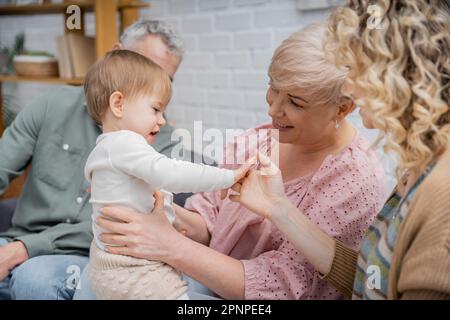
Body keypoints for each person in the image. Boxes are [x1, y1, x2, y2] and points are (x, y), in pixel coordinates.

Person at [76, 23, 386, 300]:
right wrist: (150, 203)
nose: (273, 109)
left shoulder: (354, 181)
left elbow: (285, 287)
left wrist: (168, 244)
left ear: (342, 109)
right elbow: (209, 220)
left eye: (295, 102)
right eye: (273, 88)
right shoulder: (258, 140)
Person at [227, 0, 450, 299]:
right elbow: (371, 282)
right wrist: (281, 210)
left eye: (357, 69)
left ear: (396, 75)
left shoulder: (441, 197)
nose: (351, 88)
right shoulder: (422, 165)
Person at [0, 19, 184, 300]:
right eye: (142, 67)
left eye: (164, 78)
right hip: (14, 241)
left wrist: (25, 248)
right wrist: (15, 248)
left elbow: (123, 227)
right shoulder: (53, 104)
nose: (152, 84)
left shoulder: (164, 142)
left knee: (33, 279)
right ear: (114, 55)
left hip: (98, 256)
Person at [83, 50, 250, 300]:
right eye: (155, 109)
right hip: (135, 272)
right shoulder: (125, 143)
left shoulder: (104, 149)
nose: (162, 121)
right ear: (118, 104)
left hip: (106, 266)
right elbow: (171, 172)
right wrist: (227, 177)